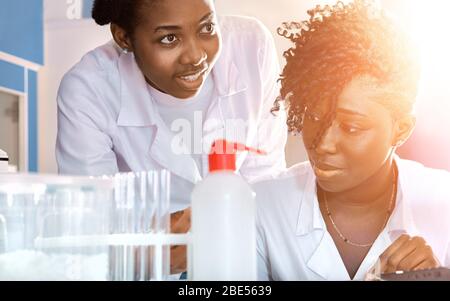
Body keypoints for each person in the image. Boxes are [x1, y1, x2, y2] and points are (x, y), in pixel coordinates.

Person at [55, 0, 287, 273]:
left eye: (207, 27)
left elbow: (264, 180)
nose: (195, 56)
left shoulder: (252, 47)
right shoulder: (89, 89)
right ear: (124, 37)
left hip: (239, 254)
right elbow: (90, 222)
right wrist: (142, 256)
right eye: (169, 38)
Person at [254, 0, 450, 281]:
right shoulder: (262, 207)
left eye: (351, 127)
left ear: (401, 129)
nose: (323, 144)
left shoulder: (444, 201)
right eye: (315, 117)